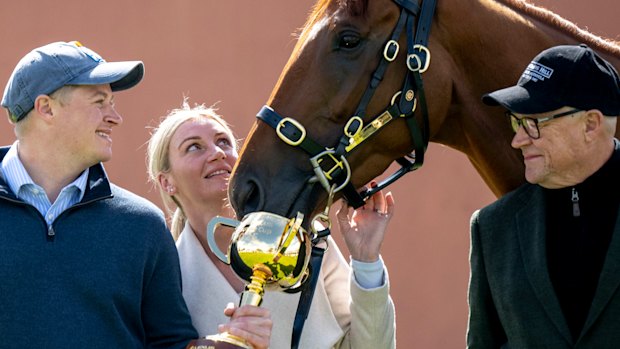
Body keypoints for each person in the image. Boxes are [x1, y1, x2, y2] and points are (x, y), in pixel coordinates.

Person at [0, 41, 270, 349]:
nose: (115, 117)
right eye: (100, 102)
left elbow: (169, 343)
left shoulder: (142, 225)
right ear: (46, 108)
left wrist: (227, 345)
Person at [146, 100, 397, 349]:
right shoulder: (166, 275)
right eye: (193, 147)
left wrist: (366, 258)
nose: (218, 153)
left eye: (223, 142)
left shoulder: (304, 238)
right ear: (166, 182)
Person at [467, 43, 620, 348]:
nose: (517, 140)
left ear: (590, 124)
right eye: (517, 122)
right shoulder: (493, 228)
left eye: (533, 124)